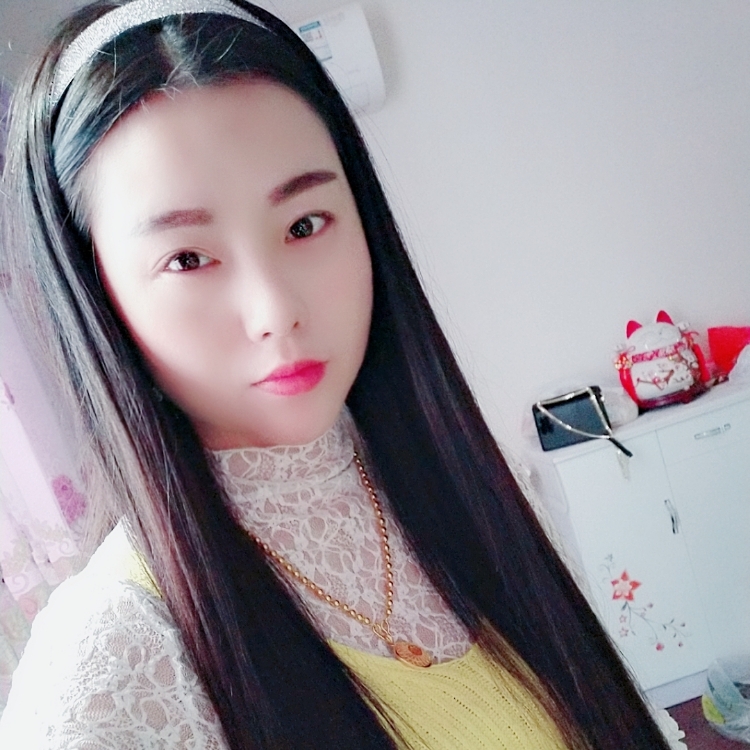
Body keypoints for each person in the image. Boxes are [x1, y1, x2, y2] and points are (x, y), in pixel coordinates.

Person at [0, 1, 683, 748]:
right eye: (188, 259)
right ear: (97, 297)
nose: (275, 310)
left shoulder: (473, 490)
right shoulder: (110, 671)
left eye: (304, 225)